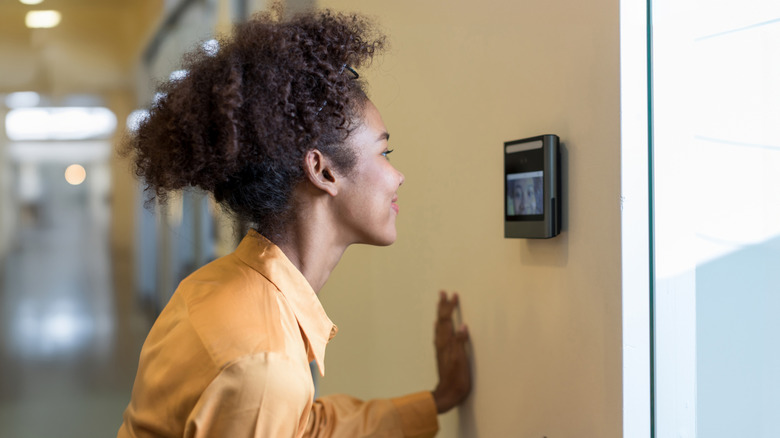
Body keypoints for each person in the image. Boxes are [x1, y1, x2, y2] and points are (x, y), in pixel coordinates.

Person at [117, 7, 471, 438]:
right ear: (323, 172)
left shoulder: (218, 287)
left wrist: (437, 401)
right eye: (384, 153)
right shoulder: (264, 363)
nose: (398, 176)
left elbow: (304, 427)